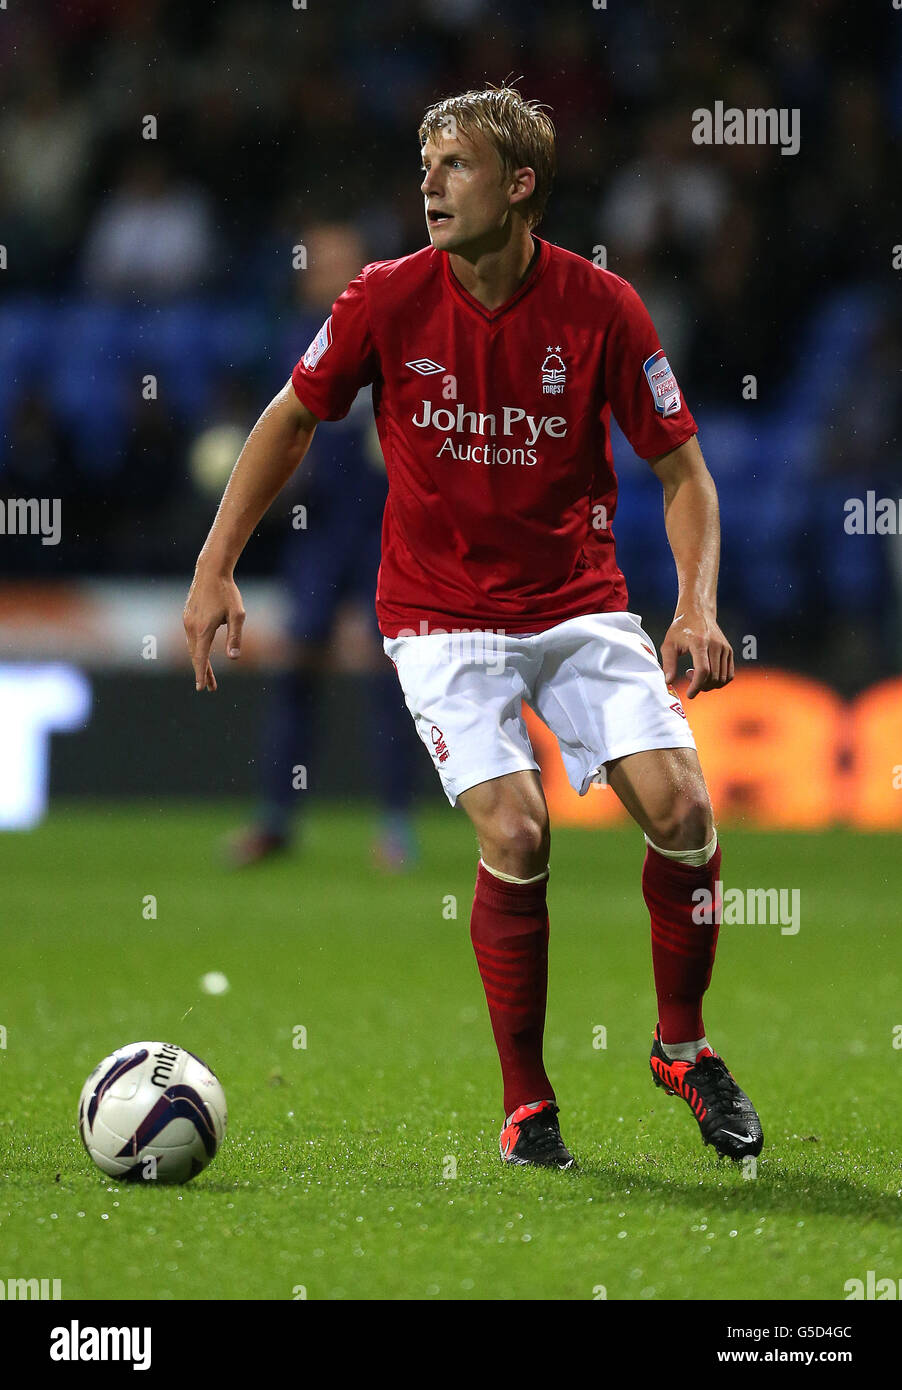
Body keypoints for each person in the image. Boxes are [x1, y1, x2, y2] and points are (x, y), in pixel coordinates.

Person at [184, 84, 763, 1170]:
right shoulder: (383, 298)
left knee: (684, 809)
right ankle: (525, 1105)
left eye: (454, 164)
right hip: (440, 616)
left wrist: (693, 605)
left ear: (520, 185)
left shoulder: (602, 308)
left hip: (578, 601)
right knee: (515, 832)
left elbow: (680, 469)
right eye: (424, 163)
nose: (430, 184)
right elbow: (290, 418)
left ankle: (681, 1049)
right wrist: (216, 563)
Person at [224, 223, 418, 870]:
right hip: (317, 528)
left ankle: (394, 823)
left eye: (338, 261)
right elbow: (275, 429)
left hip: (383, 527)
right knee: (295, 665)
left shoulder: (395, 332)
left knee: (386, 671)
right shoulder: (291, 338)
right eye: (316, 262)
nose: (323, 272)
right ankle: (276, 817)